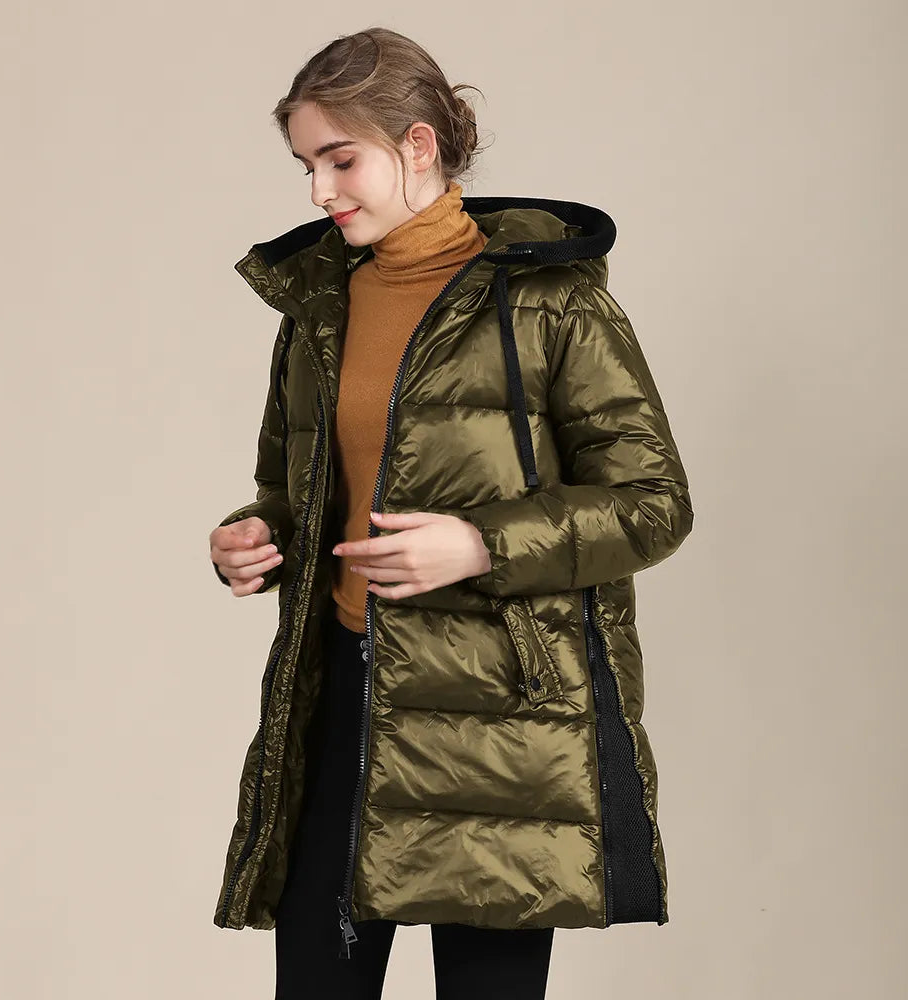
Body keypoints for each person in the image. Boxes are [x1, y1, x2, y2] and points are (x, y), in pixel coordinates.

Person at [209, 26, 693, 1000]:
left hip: (498, 728)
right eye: (306, 166)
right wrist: (257, 536)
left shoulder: (550, 303)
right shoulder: (320, 307)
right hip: (342, 702)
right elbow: (294, 489)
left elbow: (652, 503)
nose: (319, 191)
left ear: (418, 145)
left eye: (340, 160)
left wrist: (480, 544)